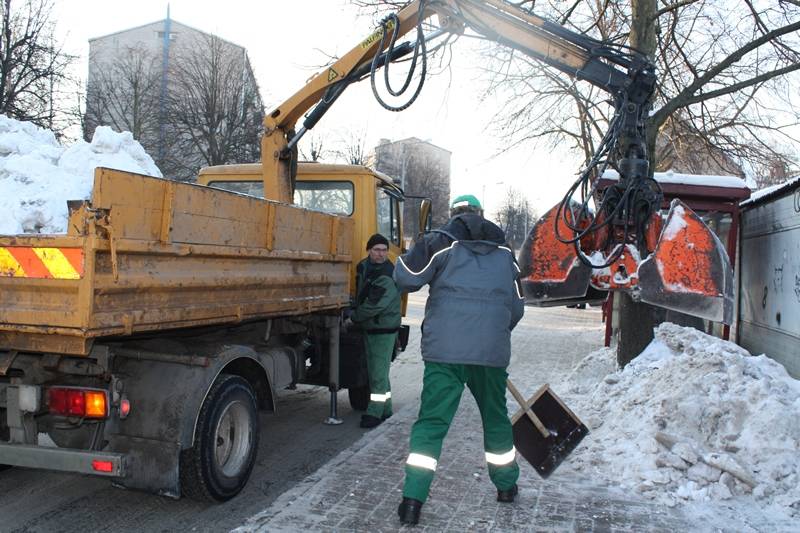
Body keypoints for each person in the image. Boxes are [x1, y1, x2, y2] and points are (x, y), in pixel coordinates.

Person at [393, 194, 525, 525]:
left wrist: (412, 249)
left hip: (445, 354)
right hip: (491, 354)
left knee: (432, 425)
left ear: (454, 216)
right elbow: (518, 308)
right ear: (481, 214)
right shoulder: (506, 254)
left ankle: (412, 502)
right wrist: (491, 333)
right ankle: (506, 487)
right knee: (496, 419)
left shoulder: (440, 242)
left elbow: (406, 278)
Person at [347, 233, 402, 429]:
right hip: (373, 327)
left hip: (383, 329)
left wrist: (353, 317)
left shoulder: (387, 274)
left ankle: (374, 413)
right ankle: (386, 409)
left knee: (377, 374)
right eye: (377, 250)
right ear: (369, 250)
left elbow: (374, 305)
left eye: (384, 250)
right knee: (379, 372)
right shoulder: (364, 267)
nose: (381, 254)